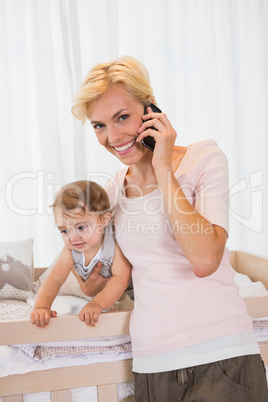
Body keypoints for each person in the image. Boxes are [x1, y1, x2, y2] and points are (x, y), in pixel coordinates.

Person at [71, 56, 268, 401]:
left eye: (122, 118)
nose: (112, 137)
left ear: (150, 109)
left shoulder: (203, 158)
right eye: (99, 125)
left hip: (221, 356)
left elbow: (205, 259)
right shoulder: (114, 189)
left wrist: (162, 167)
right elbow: (104, 280)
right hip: (152, 364)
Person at [30, 180, 131, 328]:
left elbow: (121, 278)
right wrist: (41, 306)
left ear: (104, 220)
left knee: (128, 313)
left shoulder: (113, 244)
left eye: (81, 227)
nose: (73, 237)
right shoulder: (70, 251)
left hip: (125, 293)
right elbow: (55, 279)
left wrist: (97, 304)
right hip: (96, 293)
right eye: (64, 231)